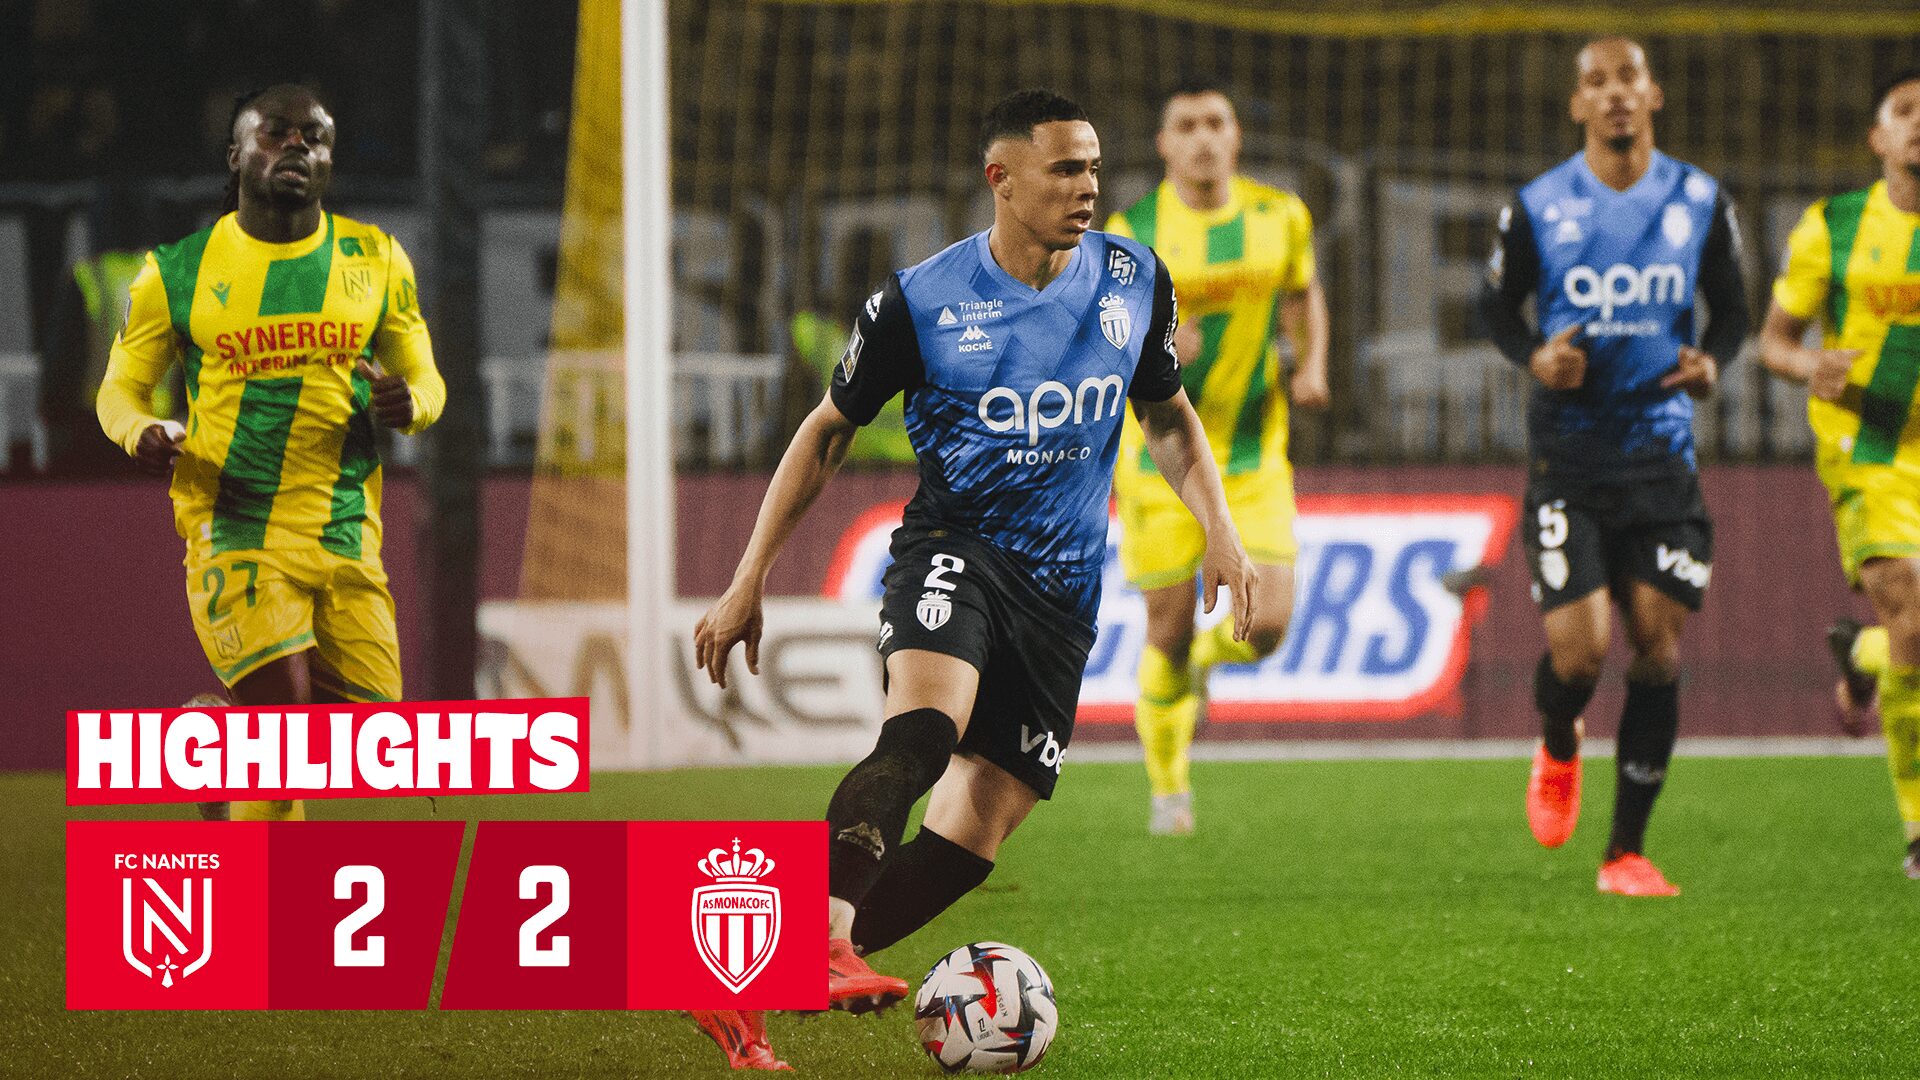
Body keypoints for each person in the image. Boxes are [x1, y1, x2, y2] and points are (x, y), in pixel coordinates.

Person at [693, 88, 1256, 1063]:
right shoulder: (920, 302)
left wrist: (1222, 530)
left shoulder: (1134, 279)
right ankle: (823, 937)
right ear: (1002, 178)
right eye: (1065, 169)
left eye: (1093, 167)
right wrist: (748, 579)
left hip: (1063, 593)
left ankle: (741, 977)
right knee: (923, 731)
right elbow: (827, 434)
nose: (1088, 188)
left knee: (977, 831)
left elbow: (1165, 412)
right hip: (955, 551)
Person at [96, 85, 444, 824]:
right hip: (236, 526)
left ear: (330, 158)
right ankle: (261, 883)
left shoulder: (377, 259)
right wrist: (140, 430)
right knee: (282, 748)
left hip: (346, 532)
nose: (296, 146)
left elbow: (427, 376)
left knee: (368, 749)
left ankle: (214, 743)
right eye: (275, 133)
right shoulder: (176, 271)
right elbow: (118, 390)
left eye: (314, 136)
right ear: (236, 155)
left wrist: (413, 403)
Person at [1476, 38, 1750, 896]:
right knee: (1581, 655)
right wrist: (1533, 355)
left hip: (1662, 457)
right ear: (1578, 105)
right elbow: (1495, 305)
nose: (1616, 94)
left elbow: (1733, 310)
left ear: (1653, 92)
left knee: (1657, 651)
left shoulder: (1700, 199)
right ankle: (1559, 740)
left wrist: (1712, 362)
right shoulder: (1539, 204)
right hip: (1569, 455)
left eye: (1628, 78)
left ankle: (1625, 853)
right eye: (1597, 82)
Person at [1106, 78, 1328, 835]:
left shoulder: (1280, 216)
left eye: (1215, 123)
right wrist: (1158, 346)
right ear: (1164, 144)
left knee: (1267, 625)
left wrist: (1312, 362)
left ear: (1235, 136)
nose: (1203, 138)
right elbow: (1102, 341)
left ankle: (1203, 668)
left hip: (1253, 452)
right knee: (1168, 630)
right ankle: (1169, 791)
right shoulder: (1131, 232)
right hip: (1161, 460)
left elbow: (1301, 292)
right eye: (1186, 125)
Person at [1759, 69, 1920, 878]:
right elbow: (1774, 341)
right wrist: (1809, 366)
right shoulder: (1834, 226)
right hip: (1872, 448)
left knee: (1907, 636)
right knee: (1916, 618)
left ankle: (1863, 654)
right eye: (1906, 111)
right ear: (1878, 138)